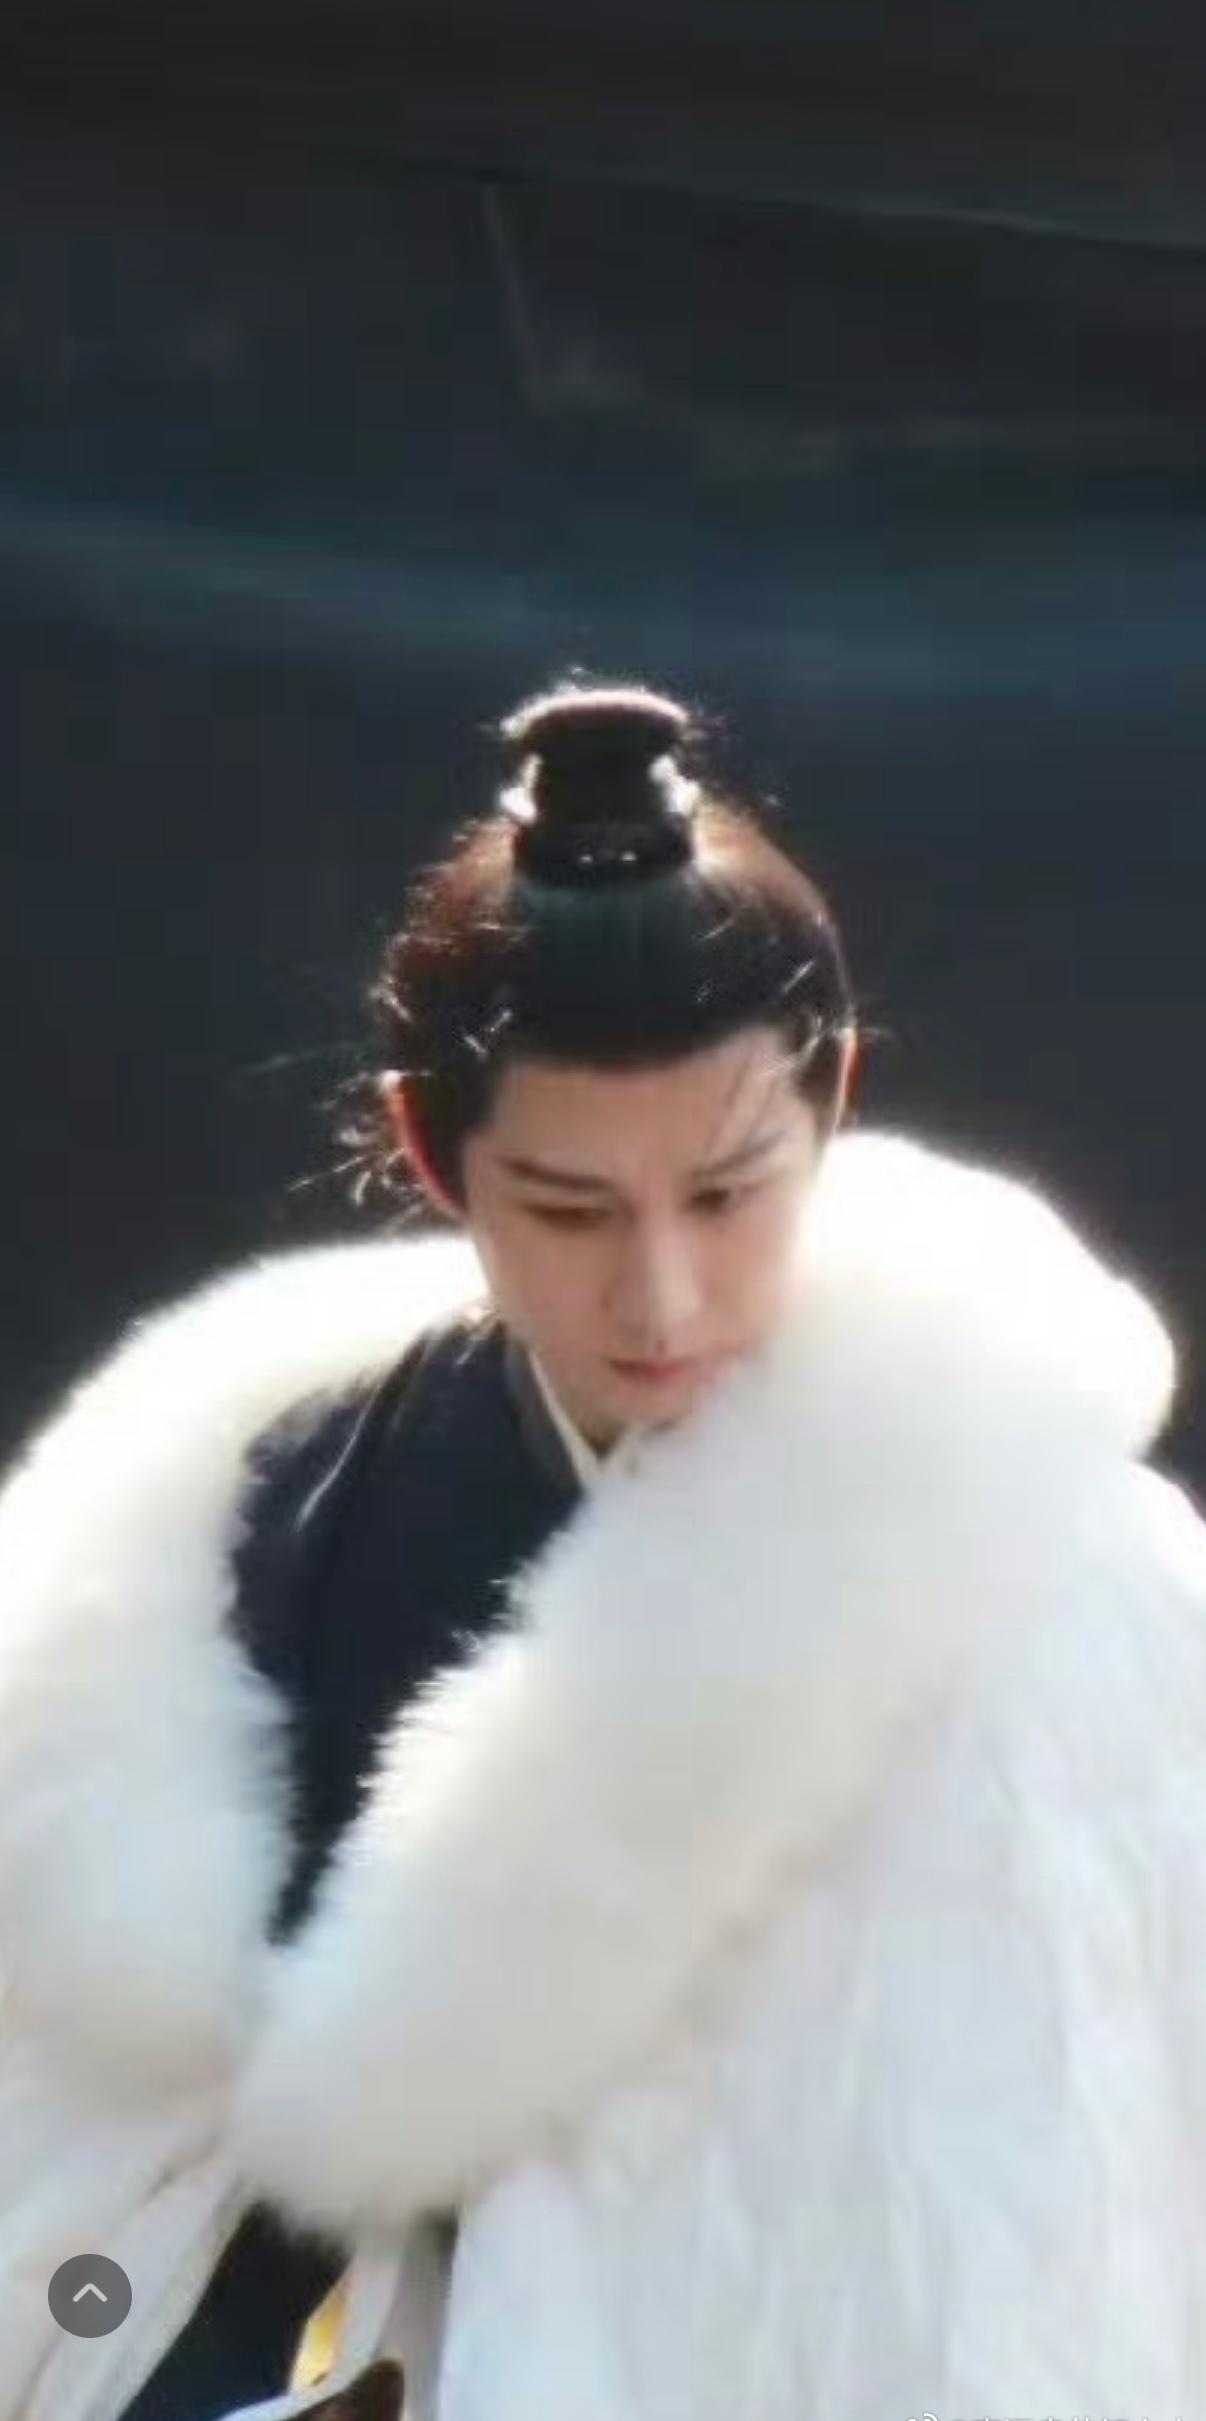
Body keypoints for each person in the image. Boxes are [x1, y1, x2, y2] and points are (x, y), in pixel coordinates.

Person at [2, 679, 1206, 2421]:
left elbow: (1093, 2212)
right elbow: (130, 2248)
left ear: (835, 1097)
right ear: (431, 1154)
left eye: (727, 1192)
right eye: (569, 1209)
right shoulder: (274, 1538)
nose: (661, 1298)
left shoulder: (1070, 1584)